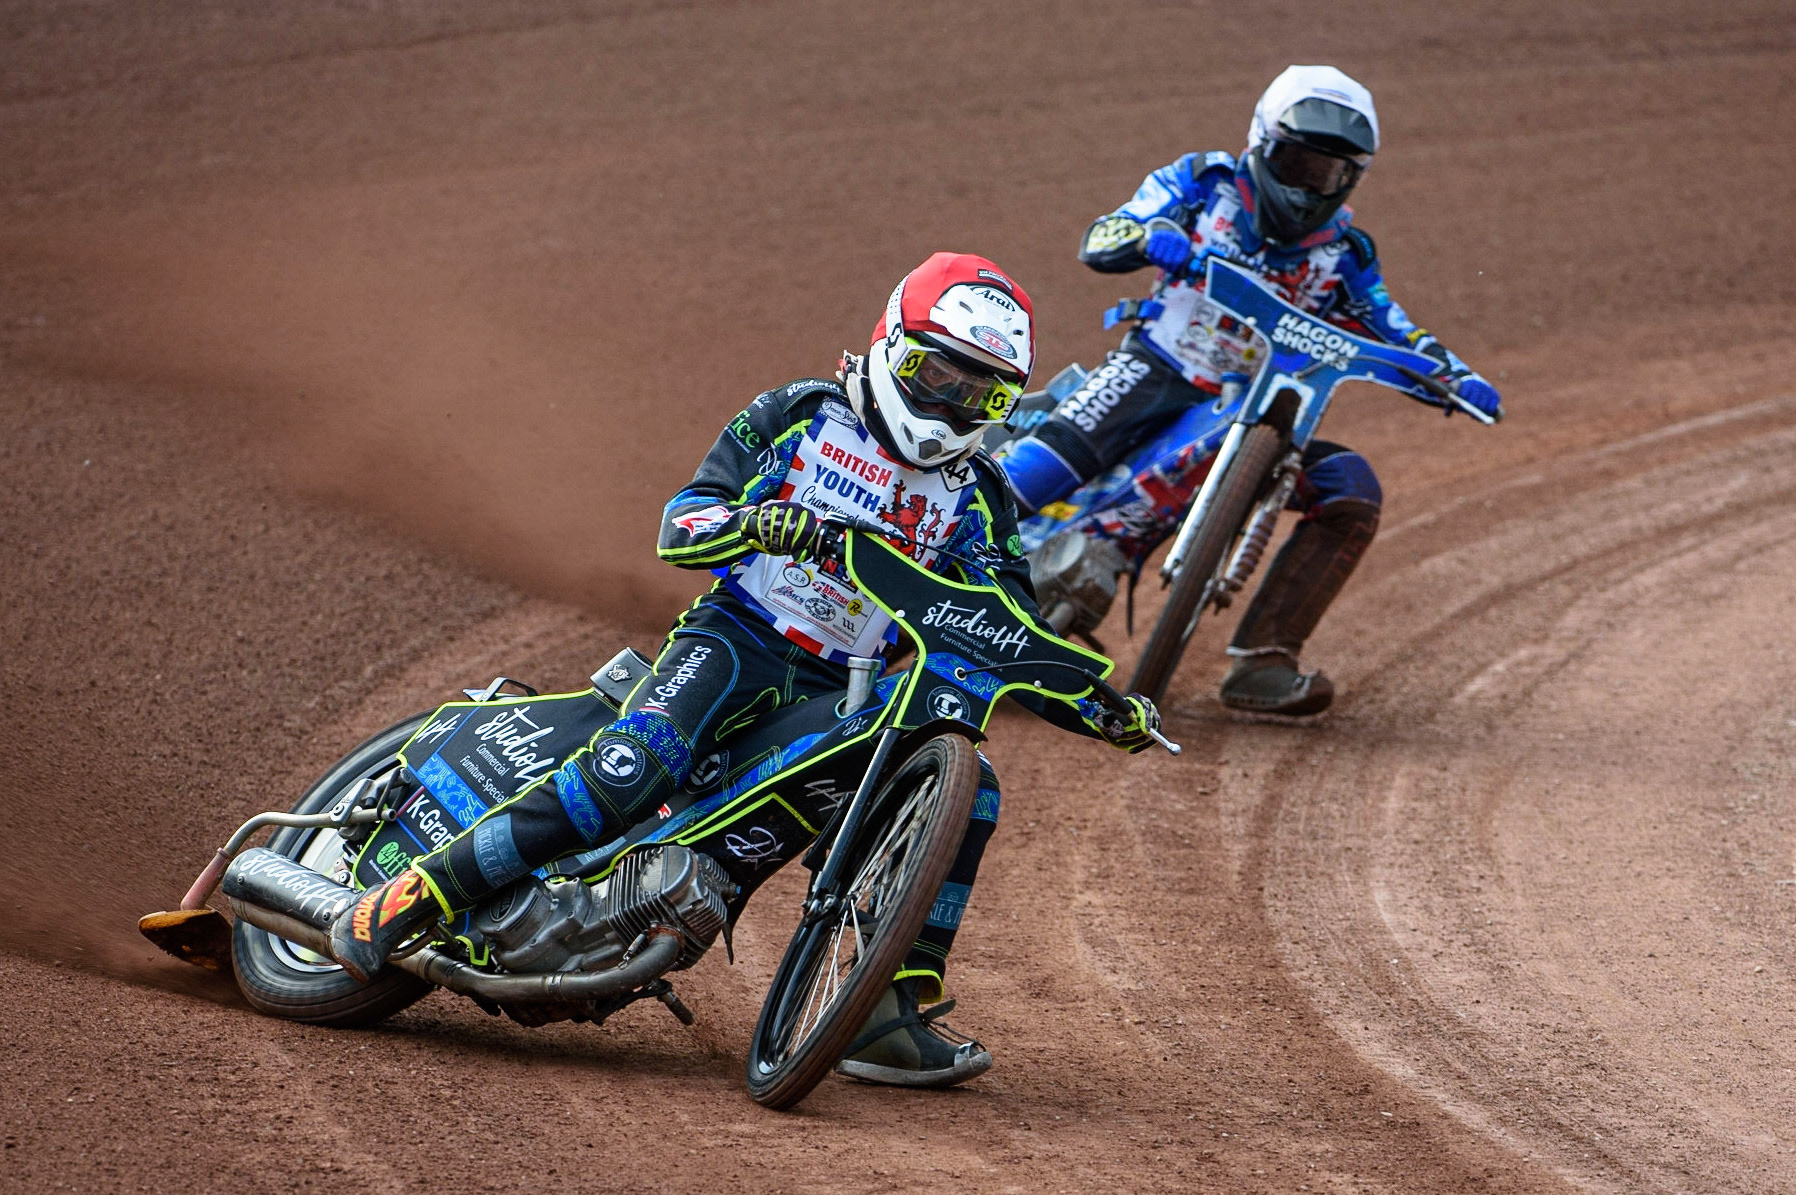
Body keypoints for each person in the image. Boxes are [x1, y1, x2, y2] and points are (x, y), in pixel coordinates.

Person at [325, 252, 1163, 1088]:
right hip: (734, 639)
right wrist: (769, 525)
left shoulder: (980, 494)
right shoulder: (801, 411)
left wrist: (1103, 704)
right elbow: (680, 524)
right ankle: (413, 898)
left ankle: (882, 1010)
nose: (950, 403)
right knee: (633, 769)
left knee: (970, 786)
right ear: (889, 342)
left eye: (981, 393)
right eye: (934, 372)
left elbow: (1006, 625)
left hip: (846, 685)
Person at [997, 65, 1502, 716]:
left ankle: (1263, 660)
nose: (1307, 185)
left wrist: (1452, 376)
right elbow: (1103, 236)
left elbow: (1393, 325)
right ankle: (897, 567)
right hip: (1157, 367)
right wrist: (1151, 237)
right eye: (1295, 163)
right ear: (1262, 144)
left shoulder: (1343, 253)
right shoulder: (1203, 184)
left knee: (1352, 490)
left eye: (1327, 174)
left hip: (1264, 409)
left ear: (1352, 178)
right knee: (1019, 480)